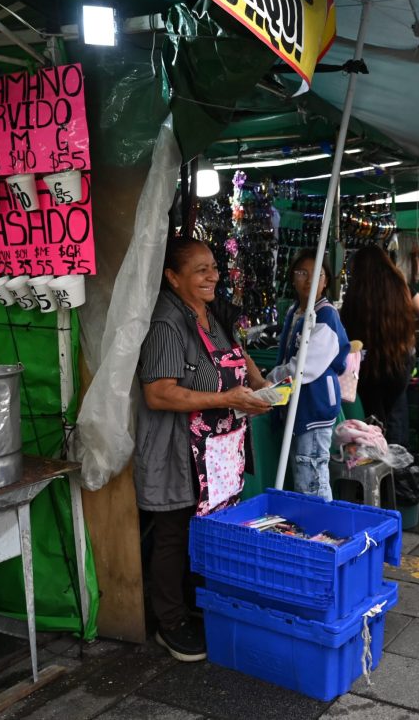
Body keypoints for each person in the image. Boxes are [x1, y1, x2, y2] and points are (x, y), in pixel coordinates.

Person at [135, 236, 271, 662]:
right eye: (200, 270)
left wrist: (264, 388)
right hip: (179, 451)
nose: (212, 275)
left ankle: (198, 603)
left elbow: (237, 357)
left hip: (218, 450)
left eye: (213, 266)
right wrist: (229, 399)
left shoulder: (212, 314)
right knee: (174, 533)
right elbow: (158, 393)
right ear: (172, 277)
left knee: (209, 528)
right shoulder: (166, 324)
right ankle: (169, 623)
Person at [270, 250, 350, 500]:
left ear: (326, 281)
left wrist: (270, 378)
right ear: (292, 277)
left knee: (312, 477)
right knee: (303, 473)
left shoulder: (325, 316)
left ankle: (319, 535)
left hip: (313, 409)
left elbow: (304, 368)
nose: (308, 279)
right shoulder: (297, 311)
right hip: (298, 407)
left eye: (317, 274)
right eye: (302, 272)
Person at [340, 244, 417, 445]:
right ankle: (399, 469)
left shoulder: (356, 293)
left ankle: (379, 470)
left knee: (372, 423)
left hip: (367, 367)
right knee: (396, 416)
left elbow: (346, 332)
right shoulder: (400, 285)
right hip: (399, 361)